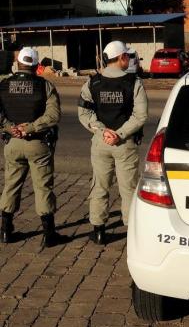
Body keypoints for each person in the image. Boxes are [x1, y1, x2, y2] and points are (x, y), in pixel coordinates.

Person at [78, 40, 148, 245]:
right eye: (128, 56)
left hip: (100, 143)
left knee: (100, 185)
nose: (130, 59)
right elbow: (140, 116)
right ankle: (131, 231)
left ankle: (99, 230)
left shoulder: (93, 82)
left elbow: (84, 113)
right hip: (125, 143)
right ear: (122, 58)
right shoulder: (134, 82)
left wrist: (101, 131)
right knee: (128, 188)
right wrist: (119, 134)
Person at [0, 47, 66, 247]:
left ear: (17, 64)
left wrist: (11, 129)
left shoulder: (3, 85)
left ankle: (5, 230)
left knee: (11, 185)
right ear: (37, 66)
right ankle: (49, 233)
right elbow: (53, 116)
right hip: (38, 143)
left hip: (12, 143)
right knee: (43, 187)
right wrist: (30, 128)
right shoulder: (44, 85)